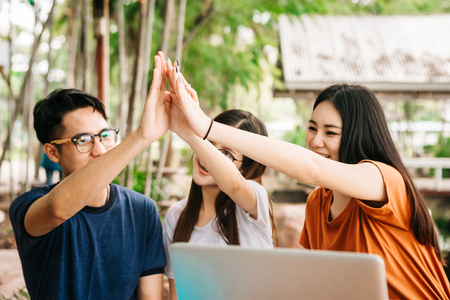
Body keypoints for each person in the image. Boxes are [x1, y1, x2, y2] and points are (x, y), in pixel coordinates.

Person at [167, 75, 450, 299]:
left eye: (330, 132)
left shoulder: (382, 179)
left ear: (357, 136)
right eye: (312, 127)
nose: (315, 141)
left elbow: (311, 168)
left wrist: (204, 127)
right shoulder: (317, 204)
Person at [9, 52, 170, 300]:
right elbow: (59, 209)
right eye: (83, 140)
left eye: (105, 135)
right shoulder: (29, 207)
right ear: (52, 152)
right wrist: (141, 137)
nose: (100, 150)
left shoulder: (143, 210)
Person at [163, 62, 275, 300]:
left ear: (245, 168)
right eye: (209, 143)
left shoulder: (254, 202)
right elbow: (176, 294)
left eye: (226, 153)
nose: (207, 155)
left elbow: (233, 185)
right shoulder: (176, 214)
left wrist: (189, 134)